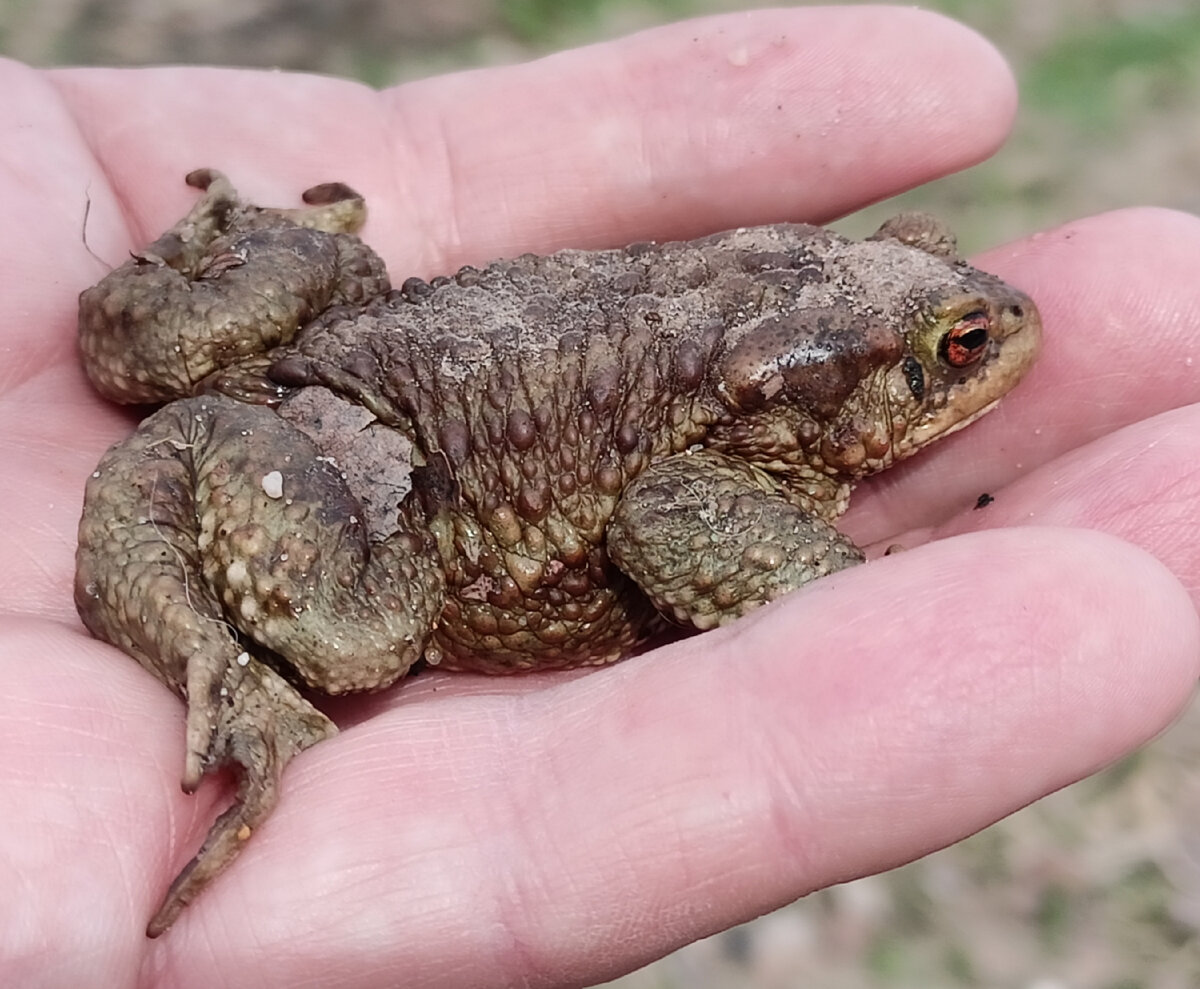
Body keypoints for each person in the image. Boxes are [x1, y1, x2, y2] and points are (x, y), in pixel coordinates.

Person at [2, 5, 1198, 986]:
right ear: (836, 392)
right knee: (352, 634)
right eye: (957, 345)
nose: (986, 347)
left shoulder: (763, 411)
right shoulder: (749, 441)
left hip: (408, 367)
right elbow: (661, 516)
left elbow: (661, 499)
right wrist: (818, 579)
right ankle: (213, 630)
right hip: (381, 464)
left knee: (350, 289)